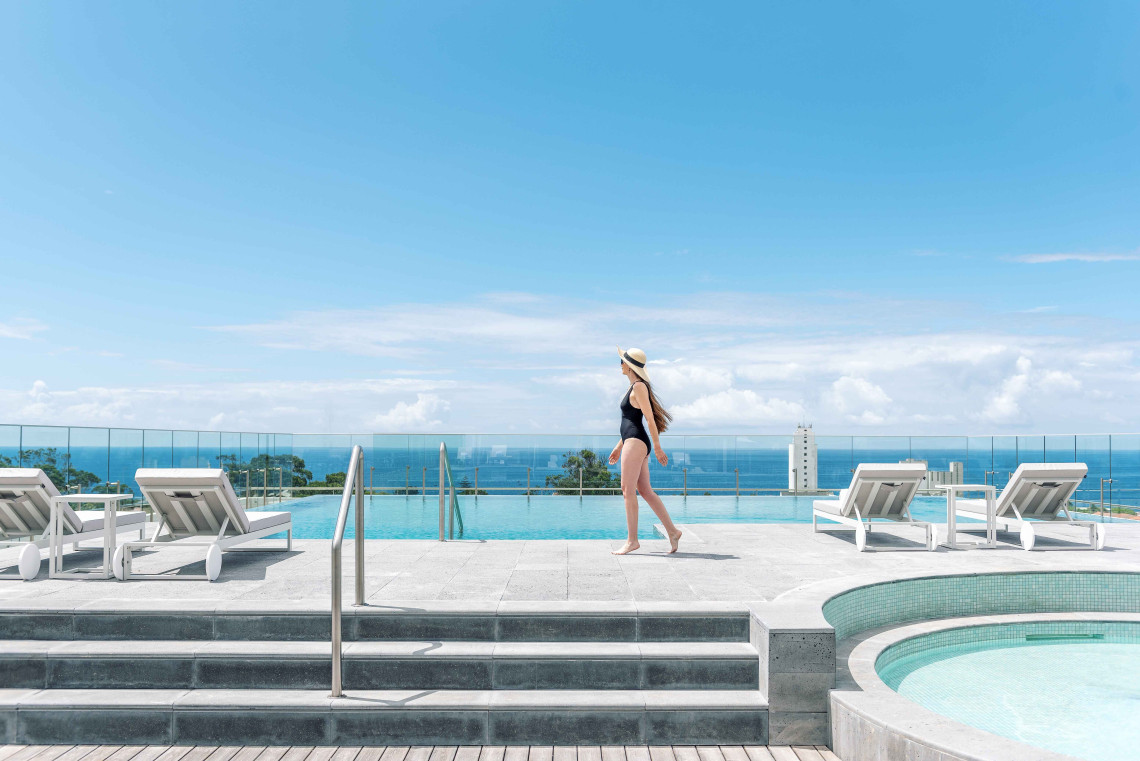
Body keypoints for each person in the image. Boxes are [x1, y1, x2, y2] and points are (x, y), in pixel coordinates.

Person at [609, 346, 682, 555]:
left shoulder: (639, 386)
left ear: (630, 366)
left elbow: (649, 419)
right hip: (632, 441)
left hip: (636, 441)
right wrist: (618, 446)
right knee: (645, 490)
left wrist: (658, 448)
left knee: (627, 489)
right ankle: (673, 531)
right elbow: (630, 421)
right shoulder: (634, 387)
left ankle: (632, 541)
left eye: (622, 361)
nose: (620, 365)